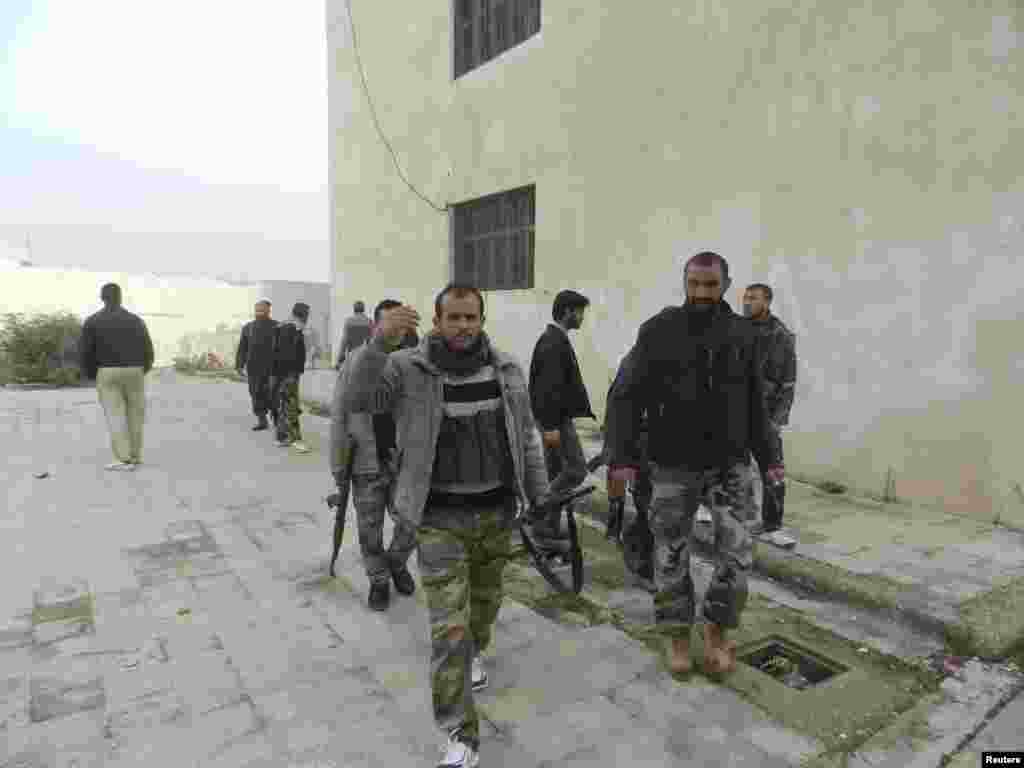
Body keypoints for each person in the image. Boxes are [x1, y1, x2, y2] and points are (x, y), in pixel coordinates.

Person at [342, 282, 550, 768]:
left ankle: (475, 650)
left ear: (481, 320)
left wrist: (539, 493)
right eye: (452, 317)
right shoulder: (406, 367)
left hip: (496, 514)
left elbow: (526, 436)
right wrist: (378, 342)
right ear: (436, 321)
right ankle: (460, 732)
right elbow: (358, 397)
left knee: (485, 605)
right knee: (448, 629)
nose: (462, 326)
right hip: (438, 520)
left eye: (470, 317)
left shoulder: (506, 368)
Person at [605, 251, 783, 679]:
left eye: (711, 285)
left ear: (726, 285)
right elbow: (625, 394)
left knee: (737, 554)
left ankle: (717, 630)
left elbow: (756, 403)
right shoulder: (659, 330)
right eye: (695, 284)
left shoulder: (744, 335)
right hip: (671, 463)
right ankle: (677, 634)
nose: (702, 292)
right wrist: (622, 456)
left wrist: (771, 458)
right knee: (670, 552)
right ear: (685, 283)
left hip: (730, 464)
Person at [330, 299, 418, 611]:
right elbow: (339, 415)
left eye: (401, 324)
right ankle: (379, 580)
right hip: (366, 461)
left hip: (405, 461)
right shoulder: (356, 362)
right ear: (376, 327)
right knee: (370, 530)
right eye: (389, 323)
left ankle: (396, 562)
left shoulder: (415, 364)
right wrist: (338, 466)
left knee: (413, 523)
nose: (396, 330)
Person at [527, 289, 595, 539]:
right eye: (579, 312)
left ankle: (547, 528)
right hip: (555, 420)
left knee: (555, 472)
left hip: (553, 418)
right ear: (567, 312)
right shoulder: (553, 343)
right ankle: (539, 511)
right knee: (576, 470)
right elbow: (548, 388)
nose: (582, 317)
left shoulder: (554, 339)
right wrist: (551, 427)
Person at [588, 349, 655, 582]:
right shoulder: (634, 364)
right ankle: (619, 532)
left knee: (646, 502)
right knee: (637, 495)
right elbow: (618, 410)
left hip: (646, 445)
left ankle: (635, 547)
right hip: (633, 443)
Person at [79, 283, 155, 471]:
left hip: (107, 371)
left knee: (115, 415)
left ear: (102, 298)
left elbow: (86, 352)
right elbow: (148, 350)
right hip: (135, 370)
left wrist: (92, 373)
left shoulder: (92, 321)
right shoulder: (136, 321)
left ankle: (123, 458)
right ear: (120, 297)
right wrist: (142, 369)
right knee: (135, 414)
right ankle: (135, 456)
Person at [742, 283, 797, 537]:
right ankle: (735, 513)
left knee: (772, 469)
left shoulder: (780, 335)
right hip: (738, 409)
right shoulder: (737, 328)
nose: (746, 302)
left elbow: (788, 381)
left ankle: (772, 523)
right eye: (745, 297)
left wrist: (778, 419)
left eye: (753, 298)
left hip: (765, 413)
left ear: (767, 302)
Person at [272, 302, 310, 454]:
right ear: (302, 314)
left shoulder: (282, 326)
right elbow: (291, 354)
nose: (308, 318)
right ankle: (296, 439)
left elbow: (275, 352)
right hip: (290, 374)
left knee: (284, 405)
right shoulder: (293, 329)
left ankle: (281, 437)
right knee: (292, 406)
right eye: (307, 314)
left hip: (282, 373)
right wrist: (293, 373)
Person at [235, 299, 279, 431]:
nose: (259, 311)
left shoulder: (278, 327)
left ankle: (277, 419)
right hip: (254, 368)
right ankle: (262, 420)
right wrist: (239, 365)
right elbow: (242, 348)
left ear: (269, 310)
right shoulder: (248, 328)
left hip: (273, 368)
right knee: (256, 393)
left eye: (262, 309)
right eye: (257, 309)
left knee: (274, 394)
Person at [335, 300, 373, 369]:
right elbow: (372, 341)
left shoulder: (348, 321)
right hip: (365, 357)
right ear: (363, 309)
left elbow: (344, 341)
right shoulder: (369, 321)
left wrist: (339, 359)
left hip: (351, 357)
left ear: (354, 309)